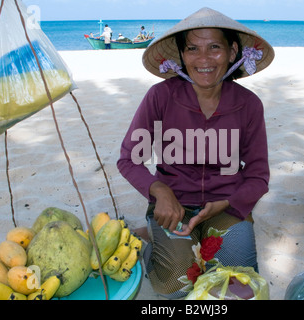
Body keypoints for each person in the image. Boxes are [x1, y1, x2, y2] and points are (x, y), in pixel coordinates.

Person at [117, 7, 274, 299]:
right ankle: (153, 240)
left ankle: (180, 241)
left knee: (239, 286)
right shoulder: (160, 97)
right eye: (193, 48)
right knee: (176, 285)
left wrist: (227, 201)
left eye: (215, 47)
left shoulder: (249, 105)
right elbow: (129, 159)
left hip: (228, 206)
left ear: (232, 52)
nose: (203, 59)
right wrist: (160, 190)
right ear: (182, 56)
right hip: (172, 206)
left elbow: (258, 176)